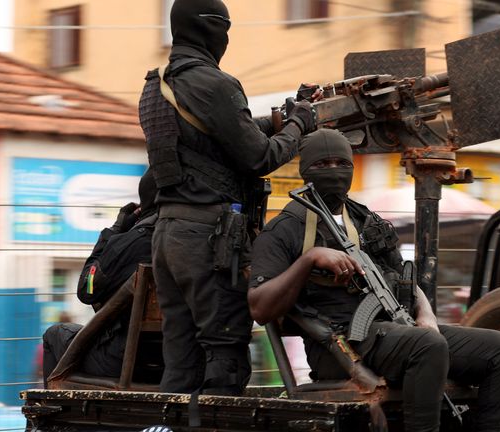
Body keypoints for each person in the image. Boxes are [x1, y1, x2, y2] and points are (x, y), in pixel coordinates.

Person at [248, 129, 500, 432]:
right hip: (337, 345)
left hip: (396, 329)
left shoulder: (367, 220)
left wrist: (425, 312)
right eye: (322, 165)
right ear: (305, 171)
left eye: (342, 163)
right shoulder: (285, 230)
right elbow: (260, 308)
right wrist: (309, 260)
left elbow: (404, 276)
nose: (334, 171)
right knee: (427, 346)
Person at [138, 0, 317, 396]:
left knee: (181, 358)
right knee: (224, 358)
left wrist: (277, 122)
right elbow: (259, 157)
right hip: (209, 238)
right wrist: (299, 126)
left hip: (168, 235)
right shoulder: (216, 83)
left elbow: (205, 142)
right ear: (211, 29)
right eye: (225, 29)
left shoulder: (156, 84)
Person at [42, 170, 158, 386]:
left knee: (54, 334)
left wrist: (114, 231)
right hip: (180, 362)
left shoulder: (128, 243)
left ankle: (54, 412)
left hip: (127, 361)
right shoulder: (196, 240)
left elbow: (86, 289)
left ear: (142, 205)